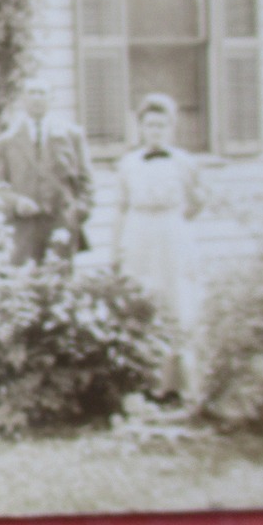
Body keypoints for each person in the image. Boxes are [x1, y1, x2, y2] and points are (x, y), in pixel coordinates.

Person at [113, 92, 205, 401]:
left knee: (176, 301)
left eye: (162, 126)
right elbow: (122, 207)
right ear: (140, 127)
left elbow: (196, 203)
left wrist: (173, 223)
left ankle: (176, 385)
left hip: (170, 233)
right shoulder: (128, 163)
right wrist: (117, 248)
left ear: (171, 128)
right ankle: (144, 381)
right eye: (150, 125)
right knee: (141, 299)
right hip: (139, 232)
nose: (156, 131)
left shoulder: (184, 162)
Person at [0, 77, 94, 266]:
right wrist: (16, 202)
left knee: (60, 283)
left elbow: (86, 182)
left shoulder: (71, 136)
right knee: (24, 285)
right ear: (22, 100)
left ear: (52, 98)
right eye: (31, 93)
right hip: (24, 229)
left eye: (42, 93)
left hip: (61, 225)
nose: (37, 98)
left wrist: (76, 214)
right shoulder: (6, 141)